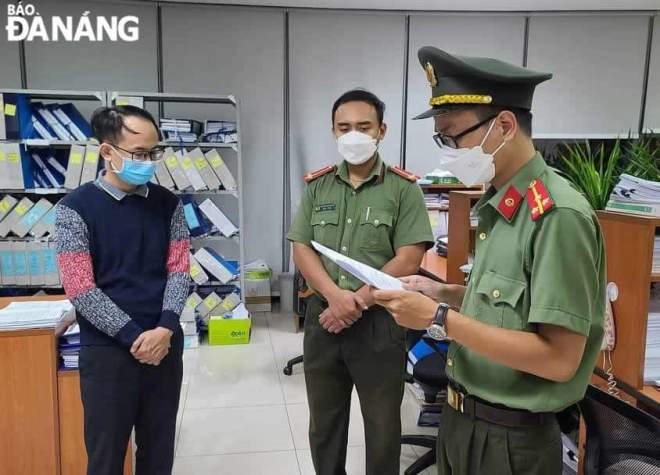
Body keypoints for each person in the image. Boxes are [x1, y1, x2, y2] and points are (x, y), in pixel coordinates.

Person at [373, 47, 605, 475]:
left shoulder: (556, 215)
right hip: (463, 421)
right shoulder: (499, 205)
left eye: (453, 137)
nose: (447, 151)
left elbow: (558, 358)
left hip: (512, 442)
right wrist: (443, 293)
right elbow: (508, 307)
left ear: (503, 125)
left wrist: (438, 317)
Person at [287, 89, 434, 475]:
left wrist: (358, 302)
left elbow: (409, 257)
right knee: (324, 426)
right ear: (334, 131)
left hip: (379, 324)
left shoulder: (403, 189)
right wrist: (335, 297)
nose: (354, 135)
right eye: (344, 127)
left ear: (381, 131)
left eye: (363, 126)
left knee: (383, 428)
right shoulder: (318, 186)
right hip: (324, 322)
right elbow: (301, 247)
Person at [55, 105, 190, 475]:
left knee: (159, 451)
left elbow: (179, 271)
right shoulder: (74, 209)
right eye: (139, 153)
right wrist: (135, 337)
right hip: (109, 352)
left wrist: (164, 329)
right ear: (107, 151)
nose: (148, 162)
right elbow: (80, 287)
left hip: (164, 346)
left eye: (154, 153)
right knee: (106, 455)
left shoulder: (168, 204)